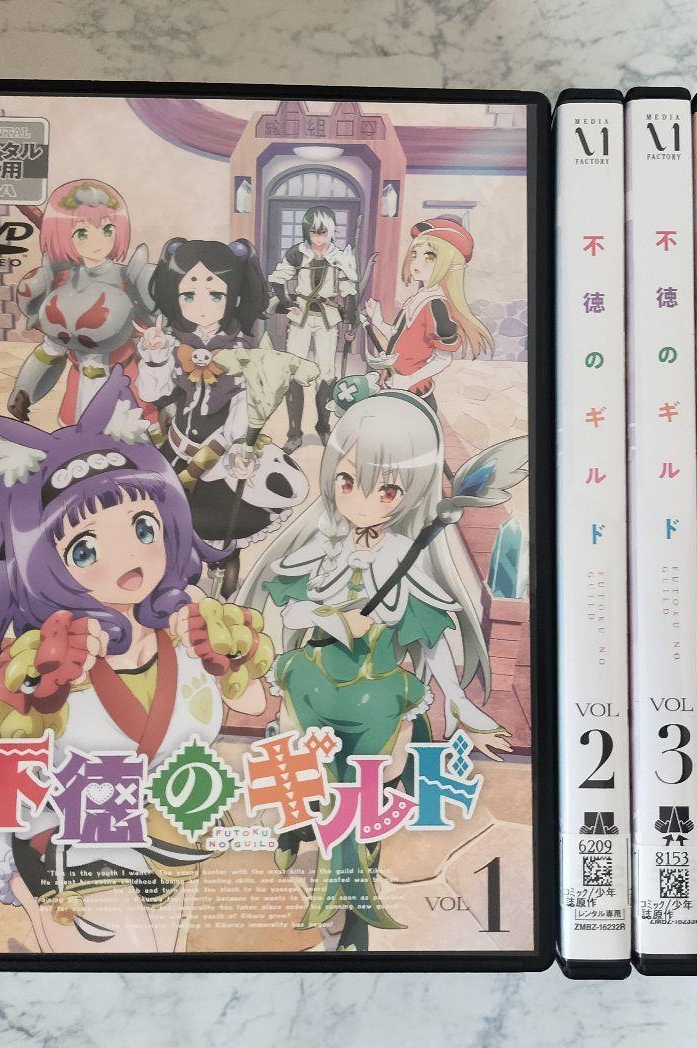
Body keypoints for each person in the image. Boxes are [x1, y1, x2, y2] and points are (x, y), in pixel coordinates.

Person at [0, 368, 273, 953]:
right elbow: (1, 738)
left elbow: (255, 703)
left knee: (164, 960)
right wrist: (50, 685)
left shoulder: (189, 623)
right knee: (124, 959)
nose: (127, 556)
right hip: (76, 838)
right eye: (85, 548)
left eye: (143, 526)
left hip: (173, 831)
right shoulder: (49, 648)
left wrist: (224, 657)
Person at [237, 383, 512, 951]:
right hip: (312, 685)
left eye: (385, 489)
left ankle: (354, 914)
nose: (362, 499)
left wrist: (462, 706)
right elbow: (288, 608)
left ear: (409, 494)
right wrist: (331, 621)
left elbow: (431, 640)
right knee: (305, 775)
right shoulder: (321, 547)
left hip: (379, 698)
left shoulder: (405, 558)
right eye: (347, 481)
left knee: (365, 801)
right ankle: (295, 828)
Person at [136, 237, 308, 597]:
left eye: (214, 295)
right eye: (189, 295)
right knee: (170, 524)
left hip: (220, 456)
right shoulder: (172, 344)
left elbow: (244, 409)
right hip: (175, 448)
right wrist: (154, 356)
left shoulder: (244, 350)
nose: (201, 306)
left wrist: (234, 449)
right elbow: (152, 394)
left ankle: (226, 596)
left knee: (222, 533)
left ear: (234, 296)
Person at [8, 179, 158, 428]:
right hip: (80, 386)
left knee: (128, 439)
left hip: (124, 383)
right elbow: (51, 352)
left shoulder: (129, 279)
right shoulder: (59, 281)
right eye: (82, 233)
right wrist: (25, 390)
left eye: (107, 230)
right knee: (77, 437)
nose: (97, 242)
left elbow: (154, 333)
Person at [363, 218, 493, 416]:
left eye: (429, 257)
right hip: (394, 383)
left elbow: (443, 359)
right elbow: (401, 338)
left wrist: (408, 380)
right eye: (415, 254)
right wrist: (378, 320)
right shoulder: (419, 298)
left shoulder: (436, 306)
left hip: (414, 393)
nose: (416, 263)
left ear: (447, 263)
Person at [268, 205, 357, 451]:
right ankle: (294, 434)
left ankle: (324, 427)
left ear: (331, 232)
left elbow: (349, 292)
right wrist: (287, 303)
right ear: (307, 232)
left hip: (328, 319)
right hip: (301, 318)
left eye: (323, 233)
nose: (318, 239)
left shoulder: (339, 257)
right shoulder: (297, 253)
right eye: (314, 233)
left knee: (327, 373)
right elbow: (277, 279)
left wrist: (351, 321)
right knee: (294, 370)